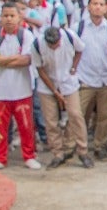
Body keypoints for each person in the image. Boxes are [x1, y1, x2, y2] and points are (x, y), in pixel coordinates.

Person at [0, 4, 41, 171]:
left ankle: (29, 156)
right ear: (1, 18)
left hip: (22, 88)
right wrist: (11, 59)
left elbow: (26, 60)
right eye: (5, 16)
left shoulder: (26, 35)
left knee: (26, 126)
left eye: (12, 15)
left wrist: (3, 60)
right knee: (0, 126)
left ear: (19, 17)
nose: (9, 19)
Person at [32, 26, 92, 170]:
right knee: (51, 121)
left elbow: (80, 50)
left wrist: (73, 67)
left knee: (75, 114)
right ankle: (58, 153)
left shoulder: (70, 36)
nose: (55, 47)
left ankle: (82, 151)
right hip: (47, 85)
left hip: (68, 81)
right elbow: (39, 69)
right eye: (51, 45)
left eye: (57, 43)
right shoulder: (37, 45)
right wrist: (54, 91)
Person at [74, 0, 107, 160]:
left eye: (102, 4)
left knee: (105, 115)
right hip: (85, 78)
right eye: (95, 3)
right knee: (80, 114)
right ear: (88, 7)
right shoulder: (78, 28)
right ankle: (79, 146)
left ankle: (100, 145)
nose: (98, 7)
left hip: (106, 78)